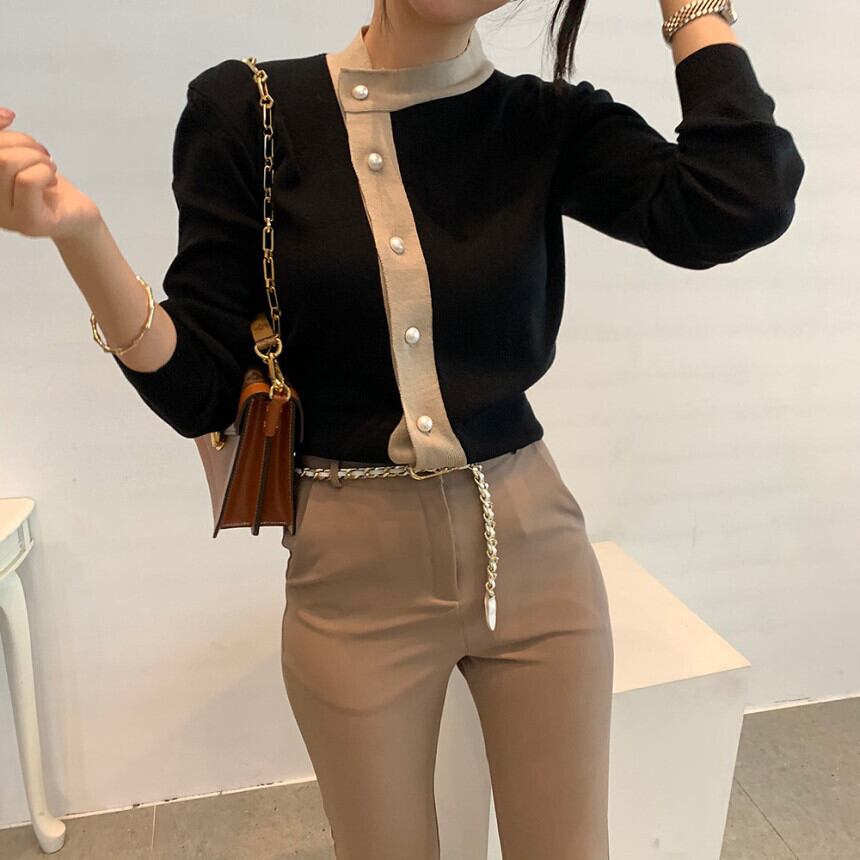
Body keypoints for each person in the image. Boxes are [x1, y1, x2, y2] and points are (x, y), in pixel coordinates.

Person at [0, 0, 804, 856]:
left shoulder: (545, 122)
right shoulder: (249, 111)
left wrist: (691, 10)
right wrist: (80, 237)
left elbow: (735, 201)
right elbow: (200, 390)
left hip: (534, 552)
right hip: (352, 576)